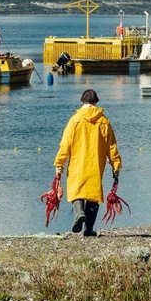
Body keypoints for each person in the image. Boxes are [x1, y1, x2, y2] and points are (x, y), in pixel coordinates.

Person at [53, 88, 122, 236]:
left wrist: (59, 164)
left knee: (76, 190)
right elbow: (112, 146)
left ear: (82, 102)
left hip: (77, 164)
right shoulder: (104, 121)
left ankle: (79, 213)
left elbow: (65, 144)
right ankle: (89, 229)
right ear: (95, 102)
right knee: (93, 195)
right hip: (96, 164)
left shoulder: (75, 120)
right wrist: (115, 167)